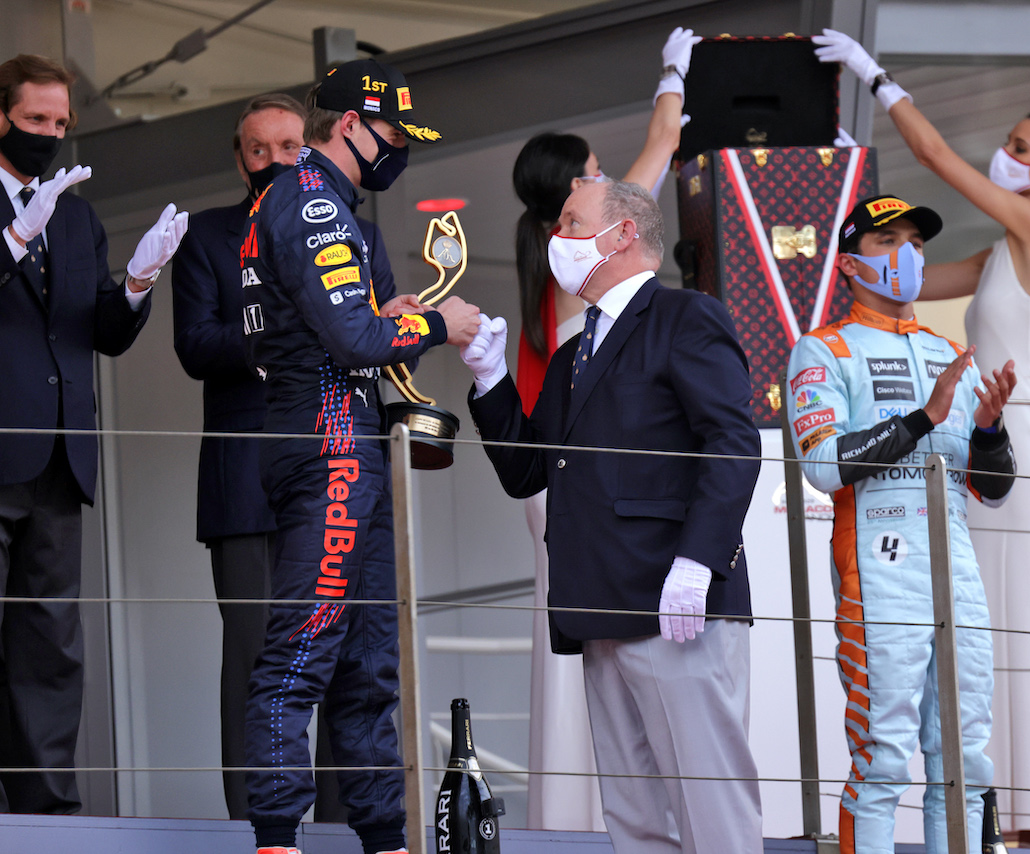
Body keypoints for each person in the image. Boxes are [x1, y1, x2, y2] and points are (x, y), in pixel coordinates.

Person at [813, 30, 1030, 849]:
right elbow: (905, 280)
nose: (1002, 155)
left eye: (1016, 147)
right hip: (984, 441)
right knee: (988, 624)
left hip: (1024, 450)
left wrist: (874, 77)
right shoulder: (1005, 251)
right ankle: (1010, 812)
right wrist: (844, 206)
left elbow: (934, 155)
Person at [461, 178, 763, 854]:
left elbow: (732, 442)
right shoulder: (574, 352)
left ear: (623, 234)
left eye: (571, 222)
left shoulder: (685, 317)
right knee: (633, 812)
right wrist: (489, 380)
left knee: (710, 802)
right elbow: (529, 471)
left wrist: (698, 560)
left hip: (674, 600)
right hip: (598, 606)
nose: (556, 238)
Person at [238, 58, 479, 854]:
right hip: (329, 441)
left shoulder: (318, 201)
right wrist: (443, 327)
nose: (398, 148)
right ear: (348, 125)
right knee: (304, 648)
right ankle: (277, 836)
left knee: (370, 662)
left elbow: (350, 327)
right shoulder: (310, 204)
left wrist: (390, 315)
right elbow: (354, 340)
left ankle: (386, 836)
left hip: (347, 438)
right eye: (391, 133)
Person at [173, 91, 405, 822]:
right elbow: (194, 346)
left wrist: (380, 325)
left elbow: (375, 335)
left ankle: (347, 824)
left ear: (307, 147)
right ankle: (260, 827)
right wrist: (291, 323)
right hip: (246, 479)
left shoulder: (355, 231)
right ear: (239, 159)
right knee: (256, 659)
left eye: (285, 146)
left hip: (344, 464)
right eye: (257, 149)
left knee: (351, 657)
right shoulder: (209, 235)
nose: (273, 159)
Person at [784, 194, 1017, 854]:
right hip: (878, 574)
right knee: (882, 760)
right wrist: (922, 418)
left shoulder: (952, 353)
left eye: (915, 242)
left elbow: (994, 488)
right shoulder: (821, 350)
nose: (907, 256)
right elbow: (825, 465)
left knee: (966, 765)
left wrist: (990, 429)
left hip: (958, 572)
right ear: (852, 264)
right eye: (888, 243)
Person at [509, 25, 698, 832]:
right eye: (589, 171)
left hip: (548, 474)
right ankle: (601, 811)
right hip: (577, 471)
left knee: (578, 635)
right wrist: (672, 71)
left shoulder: (537, 267)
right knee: (605, 637)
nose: (602, 177)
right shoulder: (580, 254)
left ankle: (573, 809)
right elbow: (663, 140)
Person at [0, 53, 187, 815]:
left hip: (58, 456)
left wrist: (138, 284)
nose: (49, 133)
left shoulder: (73, 212)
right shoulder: (33, 212)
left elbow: (99, 333)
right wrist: (12, 241)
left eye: (59, 122)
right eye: (34, 120)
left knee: (50, 646)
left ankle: (45, 812)